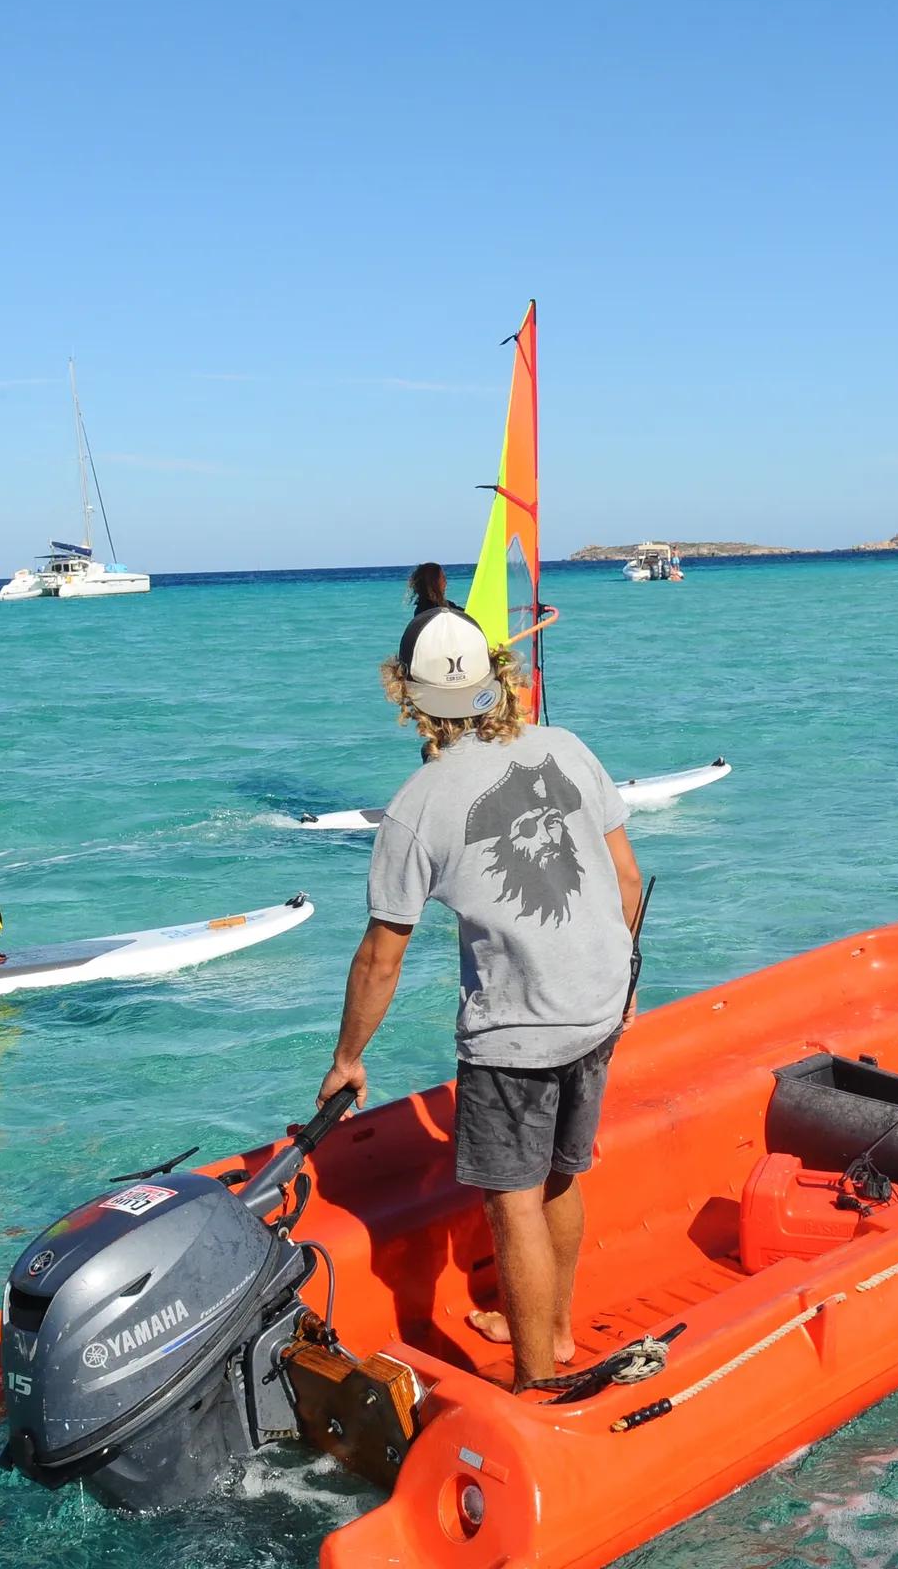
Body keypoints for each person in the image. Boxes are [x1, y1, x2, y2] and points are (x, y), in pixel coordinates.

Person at [316, 577, 644, 1390]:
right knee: (563, 1172)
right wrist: (622, 983)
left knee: (514, 1200)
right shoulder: (567, 748)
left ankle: (537, 1382)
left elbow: (380, 957)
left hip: (519, 1035)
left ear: (410, 701)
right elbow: (628, 883)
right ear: (497, 677)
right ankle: (558, 1329)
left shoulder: (417, 805)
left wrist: (348, 1059)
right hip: (603, 1004)